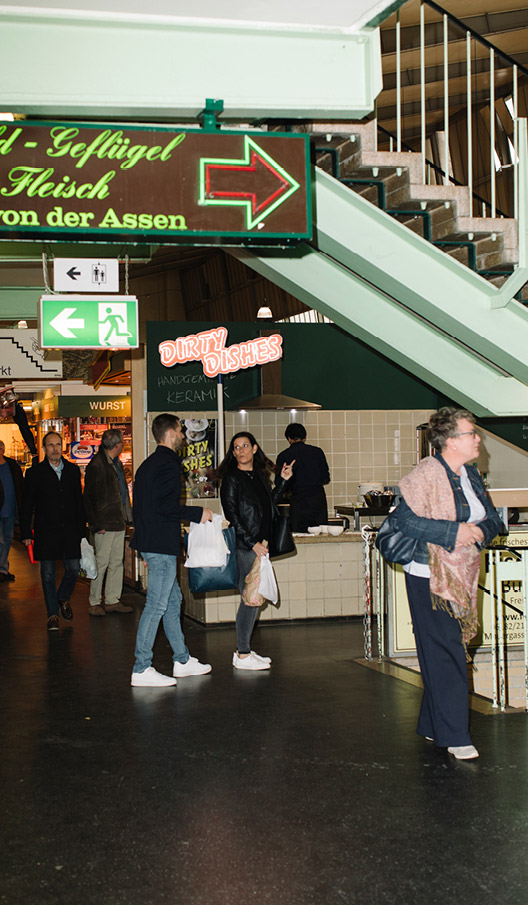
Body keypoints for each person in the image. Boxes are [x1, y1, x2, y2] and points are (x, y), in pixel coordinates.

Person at [394, 407, 504, 760]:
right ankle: (456, 735)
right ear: (450, 442)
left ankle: (432, 724)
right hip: (429, 577)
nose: (478, 438)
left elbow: (492, 519)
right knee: (448, 653)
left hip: (461, 576)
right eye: (471, 433)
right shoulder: (427, 473)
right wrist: (454, 532)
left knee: (445, 650)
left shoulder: (470, 475)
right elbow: (404, 520)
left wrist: (477, 533)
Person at [130, 413, 214, 687]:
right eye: (180, 430)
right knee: (156, 605)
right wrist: (197, 512)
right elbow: (165, 507)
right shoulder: (167, 466)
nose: (183, 435)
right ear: (169, 433)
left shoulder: (147, 465)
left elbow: (140, 509)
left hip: (152, 543)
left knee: (173, 602)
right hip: (161, 546)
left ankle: (181, 659)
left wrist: (141, 548)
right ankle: (141, 667)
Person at [219, 431, 294, 671]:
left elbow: (269, 504)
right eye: (236, 447)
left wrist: (282, 481)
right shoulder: (232, 479)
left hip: (260, 544)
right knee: (250, 599)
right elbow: (232, 515)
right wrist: (252, 543)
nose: (240, 450)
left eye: (244, 446)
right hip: (247, 546)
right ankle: (242, 654)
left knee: (252, 598)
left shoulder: (260, 475)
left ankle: (244, 652)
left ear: (254, 448)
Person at [21, 431, 85, 632]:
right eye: (50, 445)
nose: (55, 449)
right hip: (45, 532)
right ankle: (52, 615)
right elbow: (26, 505)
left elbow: (79, 503)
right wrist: (25, 533)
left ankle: (62, 598)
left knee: (73, 569)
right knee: (47, 575)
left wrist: (82, 531)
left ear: (62, 447)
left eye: (58, 444)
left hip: (69, 531)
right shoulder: (34, 473)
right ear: (44, 448)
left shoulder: (73, 471)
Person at [83, 428, 133, 616]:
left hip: (117, 520)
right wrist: (96, 524)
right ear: (118, 445)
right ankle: (95, 601)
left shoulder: (113, 463)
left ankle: (112, 600)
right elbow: (88, 498)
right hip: (105, 522)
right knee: (102, 563)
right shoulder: (98, 465)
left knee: (115, 562)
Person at [276, 423, 330, 532]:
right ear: (304, 437)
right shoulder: (317, 452)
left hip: (298, 501)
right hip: (318, 501)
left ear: (288, 438)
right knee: (320, 536)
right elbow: (326, 478)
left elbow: (280, 482)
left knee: (300, 536)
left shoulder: (284, 456)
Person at [0, 439, 23, 582]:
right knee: (1, 540)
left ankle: (3, 568)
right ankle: (2, 568)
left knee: (7, 539)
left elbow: (20, 485)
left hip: (10, 509)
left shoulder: (11, 465)